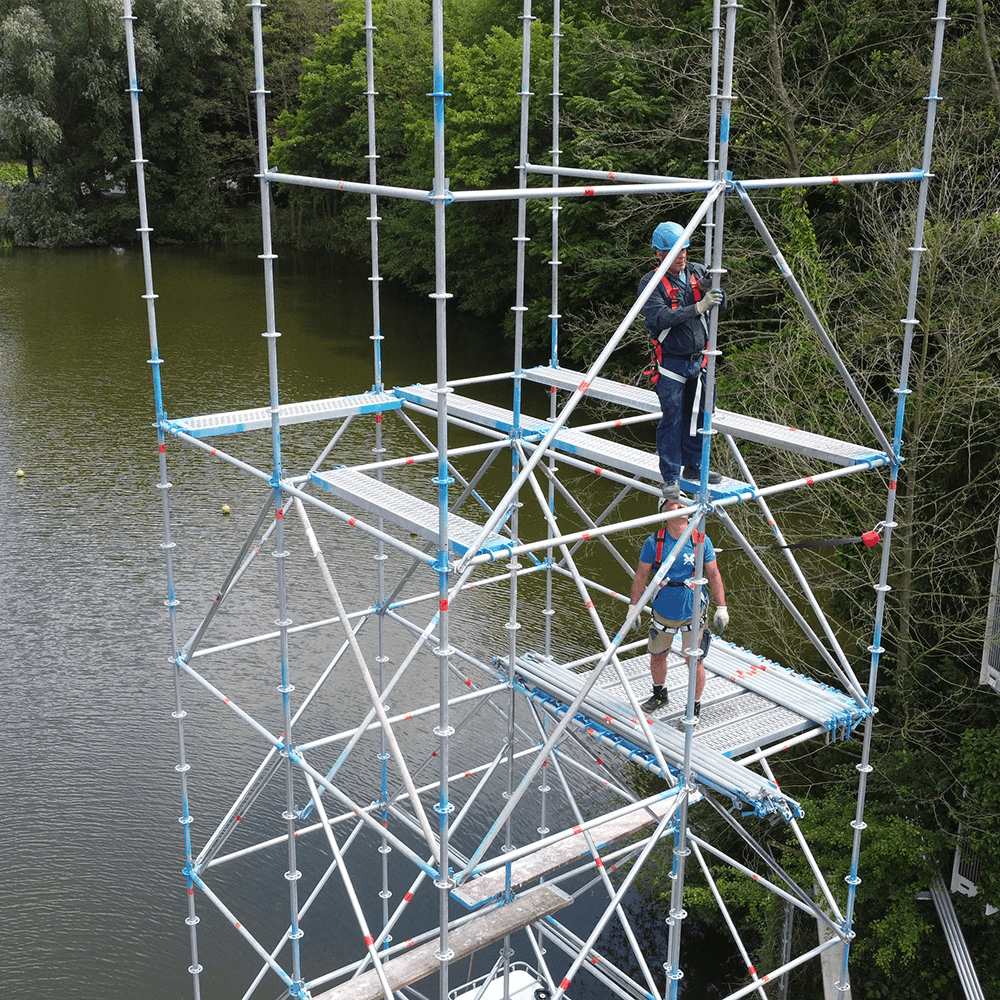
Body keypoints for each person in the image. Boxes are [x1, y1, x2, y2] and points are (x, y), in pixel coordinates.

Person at [639, 221, 727, 500]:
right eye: (676, 251)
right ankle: (670, 476)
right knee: (672, 419)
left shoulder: (698, 272)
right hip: (671, 364)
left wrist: (715, 293)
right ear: (659, 253)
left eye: (685, 250)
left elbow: (722, 304)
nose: (682, 256)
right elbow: (660, 317)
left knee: (699, 415)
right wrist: (697, 304)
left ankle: (692, 465)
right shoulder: (651, 283)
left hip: (698, 360)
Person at [628, 495, 729, 719]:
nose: (679, 505)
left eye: (683, 503)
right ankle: (659, 694)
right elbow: (642, 575)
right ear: (665, 512)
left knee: (694, 660)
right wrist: (633, 605)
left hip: (693, 612)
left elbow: (713, 573)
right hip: (664, 611)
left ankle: (694, 705)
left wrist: (721, 606)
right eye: (673, 503)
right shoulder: (654, 543)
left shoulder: (701, 540)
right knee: (657, 655)